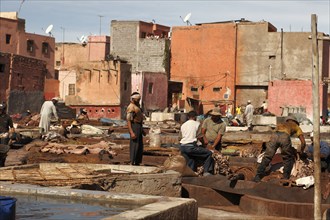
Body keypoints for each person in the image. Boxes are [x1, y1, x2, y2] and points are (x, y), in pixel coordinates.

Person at [253, 115, 306, 182]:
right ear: (295, 122)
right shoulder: (296, 126)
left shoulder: (281, 124)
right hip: (284, 137)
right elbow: (303, 143)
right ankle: (285, 178)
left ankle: (258, 176)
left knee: (267, 157)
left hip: (274, 135)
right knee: (287, 158)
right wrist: (301, 151)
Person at [179, 110, 214, 176]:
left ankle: (191, 174)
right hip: (191, 147)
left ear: (188, 117)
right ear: (195, 117)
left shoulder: (183, 125)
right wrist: (205, 145)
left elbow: (180, 138)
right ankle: (207, 172)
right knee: (208, 153)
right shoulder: (197, 124)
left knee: (191, 159)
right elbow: (200, 137)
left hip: (182, 147)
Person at [127, 92, 145, 166]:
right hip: (134, 126)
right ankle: (132, 161)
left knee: (139, 145)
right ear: (134, 99)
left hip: (139, 126)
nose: (138, 101)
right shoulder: (131, 107)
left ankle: (137, 161)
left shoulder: (137, 107)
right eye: (137, 99)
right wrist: (131, 132)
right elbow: (129, 120)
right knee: (134, 145)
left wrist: (142, 129)